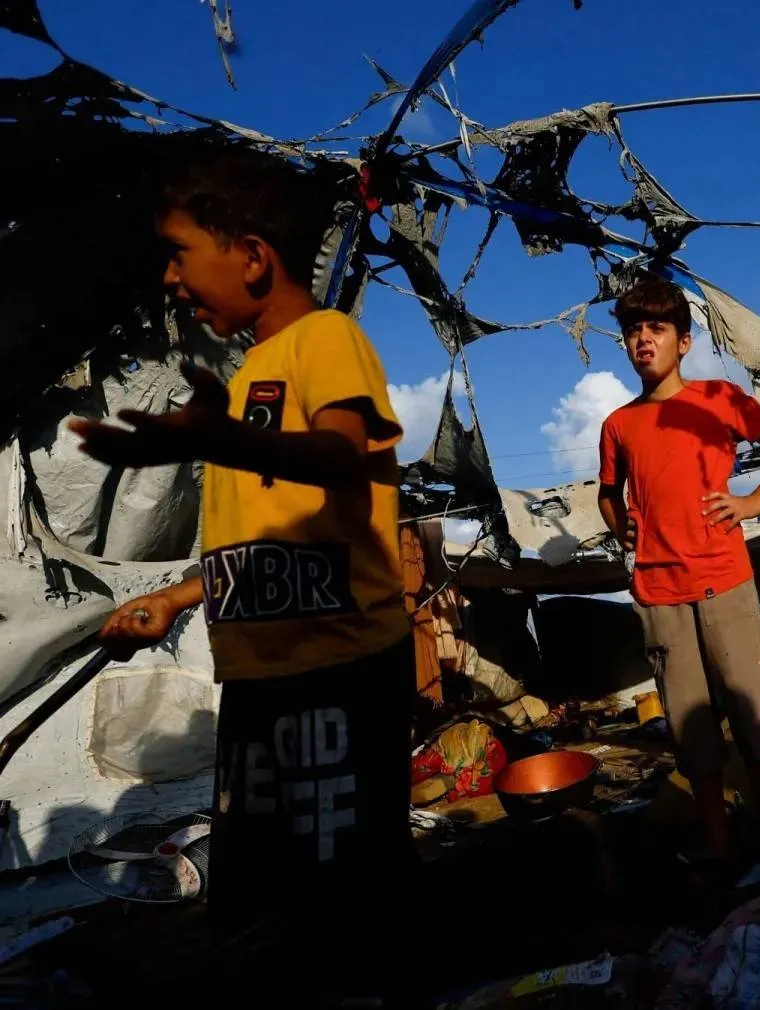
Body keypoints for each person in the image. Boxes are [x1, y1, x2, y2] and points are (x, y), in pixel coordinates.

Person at [70, 145, 413, 1007]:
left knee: (342, 891)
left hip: (340, 664)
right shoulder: (247, 374)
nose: (172, 279)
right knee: (259, 886)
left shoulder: (325, 339)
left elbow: (341, 455)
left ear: (253, 256)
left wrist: (218, 438)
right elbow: (264, 537)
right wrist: (173, 599)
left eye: (180, 254)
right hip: (262, 672)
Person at [597, 277, 760, 884]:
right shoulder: (618, 425)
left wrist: (754, 500)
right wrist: (620, 525)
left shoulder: (721, 398)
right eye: (633, 330)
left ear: (684, 341)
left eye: (657, 328)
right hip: (659, 593)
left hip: (724, 581)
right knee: (693, 735)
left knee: (755, 722)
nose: (643, 339)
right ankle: (718, 851)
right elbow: (609, 494)